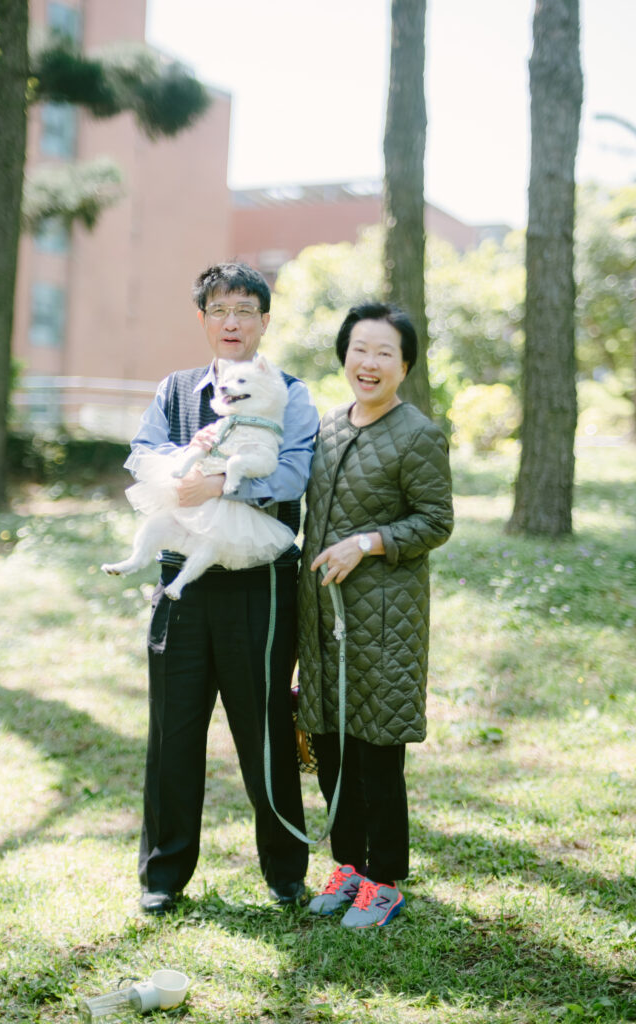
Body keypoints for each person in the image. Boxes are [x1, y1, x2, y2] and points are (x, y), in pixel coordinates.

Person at [127, 262, 319, 915]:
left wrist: (222, 483)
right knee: (172, 732)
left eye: (244, 311)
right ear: (203, 319)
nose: (231, 322)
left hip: (259, 585)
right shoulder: (176, 390)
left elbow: (293, 474)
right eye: (219, 310)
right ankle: (163, 875)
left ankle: (286, 872)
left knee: (265, 729)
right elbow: (143, 451)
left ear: (264, 320)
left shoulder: (290, 392)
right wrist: (180, 472)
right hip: (181, 582)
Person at [296, 301, 454, 929]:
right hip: (323, 620)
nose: (369, 362)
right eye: (359, 349)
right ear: (345, 356)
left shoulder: (418, 434)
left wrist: (366, 543)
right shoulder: (329, 427)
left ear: (404, 366)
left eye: (385, 352)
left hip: (386, 624)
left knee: (377, 751)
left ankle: (384, 880)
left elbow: (435, 521)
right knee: (331, 746)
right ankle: (348, 868)